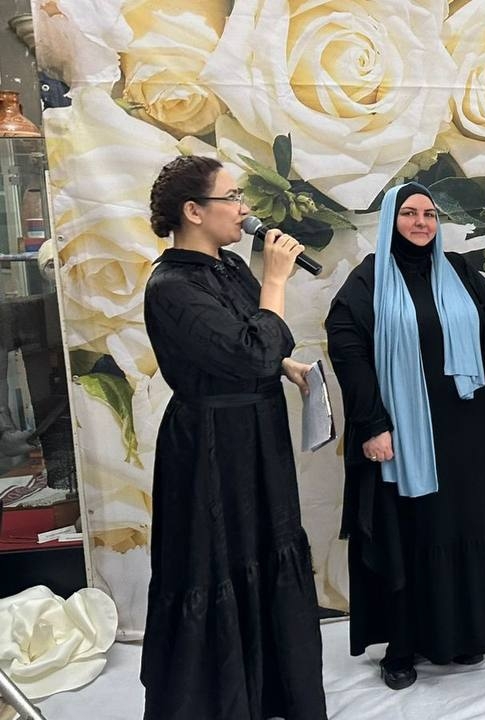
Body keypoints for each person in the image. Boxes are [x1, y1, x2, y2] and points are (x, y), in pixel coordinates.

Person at [141, 155, 326, 719]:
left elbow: (251, 346)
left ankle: (271, 692)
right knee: (215, 559)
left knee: (267, 549)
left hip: (257, 435)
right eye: (232, 197)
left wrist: (285, 366)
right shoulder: (170, 286)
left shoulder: (226, 267)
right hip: (210, 447)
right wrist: (275, 280)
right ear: (194, 211)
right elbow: (252, 351)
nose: (244, 208)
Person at [325, 182, 485, 690]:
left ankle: (463, 635)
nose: (421, 223)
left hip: (467, 432)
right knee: (411, 534)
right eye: (409, 213)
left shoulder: (459, 272)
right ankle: (403, 645)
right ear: (390, 220)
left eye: (429, 214)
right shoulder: (369, 280)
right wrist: (372, 424)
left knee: (464, 526)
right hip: (408, 437)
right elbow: (348, 350)